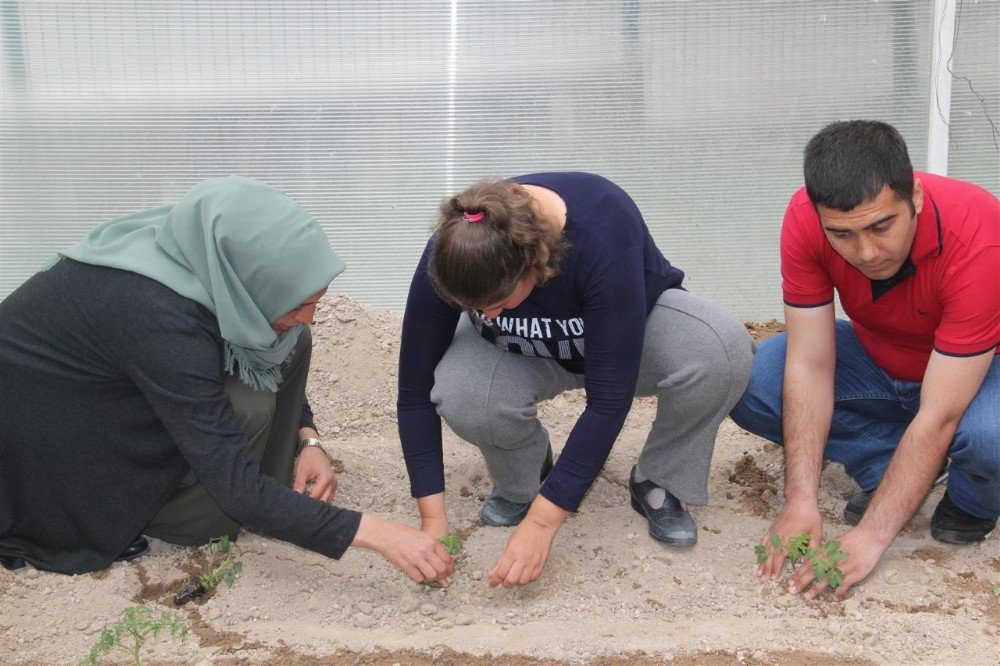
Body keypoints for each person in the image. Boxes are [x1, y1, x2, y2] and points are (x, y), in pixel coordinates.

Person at [0, 176, 455, 586]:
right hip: (64, 466)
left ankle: (274, 486)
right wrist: (381, 534)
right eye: (298, 302)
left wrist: (308, 440)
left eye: (315, 300)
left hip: (110, 402)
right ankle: (179, 518)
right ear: (246, 278)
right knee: (248, 414)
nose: (310, 315)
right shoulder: (158, 316)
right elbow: (238, 491)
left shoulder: (196, 254)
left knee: (289, 341)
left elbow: (280, 344)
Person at [397, 172, 755, 588]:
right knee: (463, 391)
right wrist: (432, 520)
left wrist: (542, 525)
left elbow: (608, 400)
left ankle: (658, 479)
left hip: (624, 339)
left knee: (720, 349)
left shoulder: (603, 229)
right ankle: (522, 479)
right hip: (521, 349)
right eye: (473, 308)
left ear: (534, 263)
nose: (488, 315)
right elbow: (413, 394)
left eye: (496, 303)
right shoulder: (456, 251)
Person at [730, 120, 999, 600]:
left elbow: (941, 413)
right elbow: (809, 363)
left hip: (975, 375)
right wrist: (801, 499)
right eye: (843, 235)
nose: (868, 252)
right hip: (880, 356)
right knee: (751, 380)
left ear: (913, 196)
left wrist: (873, 537)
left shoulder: (981, 236)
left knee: (989, 438)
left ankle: (973, 497)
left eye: (881, 226)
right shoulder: (804, 218)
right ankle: (892, 465)